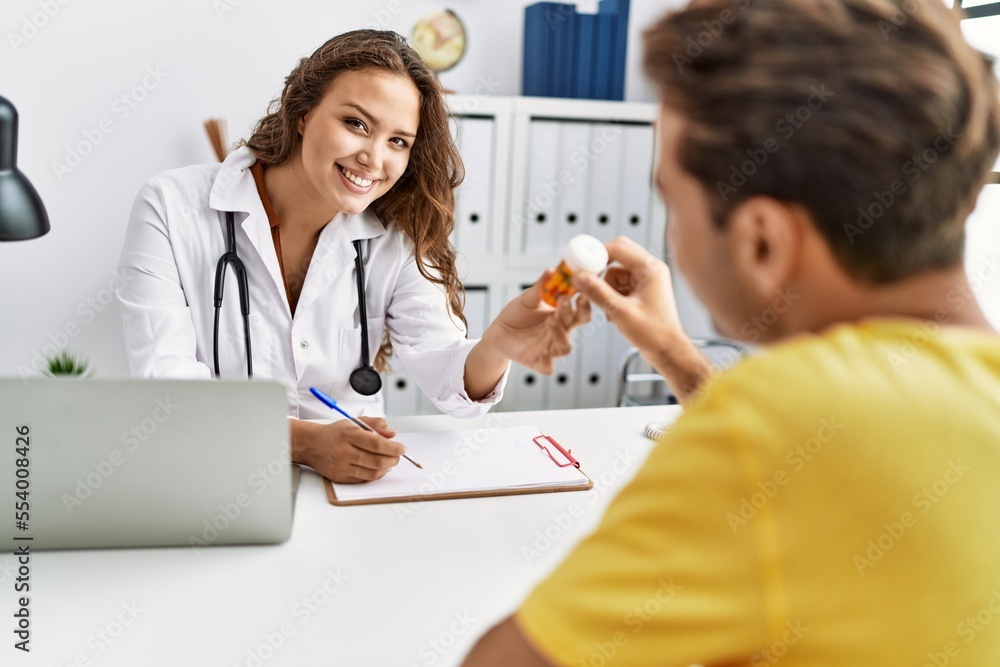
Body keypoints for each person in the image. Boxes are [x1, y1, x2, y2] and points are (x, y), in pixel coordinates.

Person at [463, 0, 1000, 665]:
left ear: (763, 243)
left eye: (673, 202)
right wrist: (669, 347)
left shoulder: (769, 424)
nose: (671, 237)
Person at [117, 30, 589, 485]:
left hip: (353, 489)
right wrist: (303, 444)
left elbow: (449, 381)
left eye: (398, 141)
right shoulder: (172, 207)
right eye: (356, 124)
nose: (374, 158)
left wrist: (499, 344)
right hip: (215, 480)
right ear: (301, 114)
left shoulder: (393, 237)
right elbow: (168, 388)